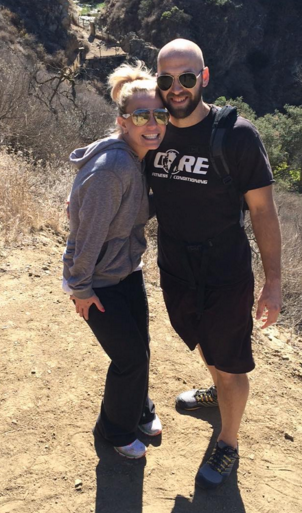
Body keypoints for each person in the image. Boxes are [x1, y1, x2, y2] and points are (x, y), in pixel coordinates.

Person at [146, 39, 282, 488]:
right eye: (166, 79)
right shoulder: (154, 131)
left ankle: (228, 441)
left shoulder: (237, 136)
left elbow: (262, 211)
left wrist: (274, 282)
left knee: (231, 364)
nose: (176, 88)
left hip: (224, 272)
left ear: (203, 78)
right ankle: (216, 392)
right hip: (176, 267)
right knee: (204, 343)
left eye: (187, 77)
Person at [62, 62, 169, 459]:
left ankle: (139, 409)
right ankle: (114, 430)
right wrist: (80, 288)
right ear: (123, 121)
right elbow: (86, 237)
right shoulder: (115, 167)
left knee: (140, 347)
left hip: (126, 271)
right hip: (99, 281)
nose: (153, 122)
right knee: (128, 359)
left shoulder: (139, 157)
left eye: (160, 114)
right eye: (142, 115)